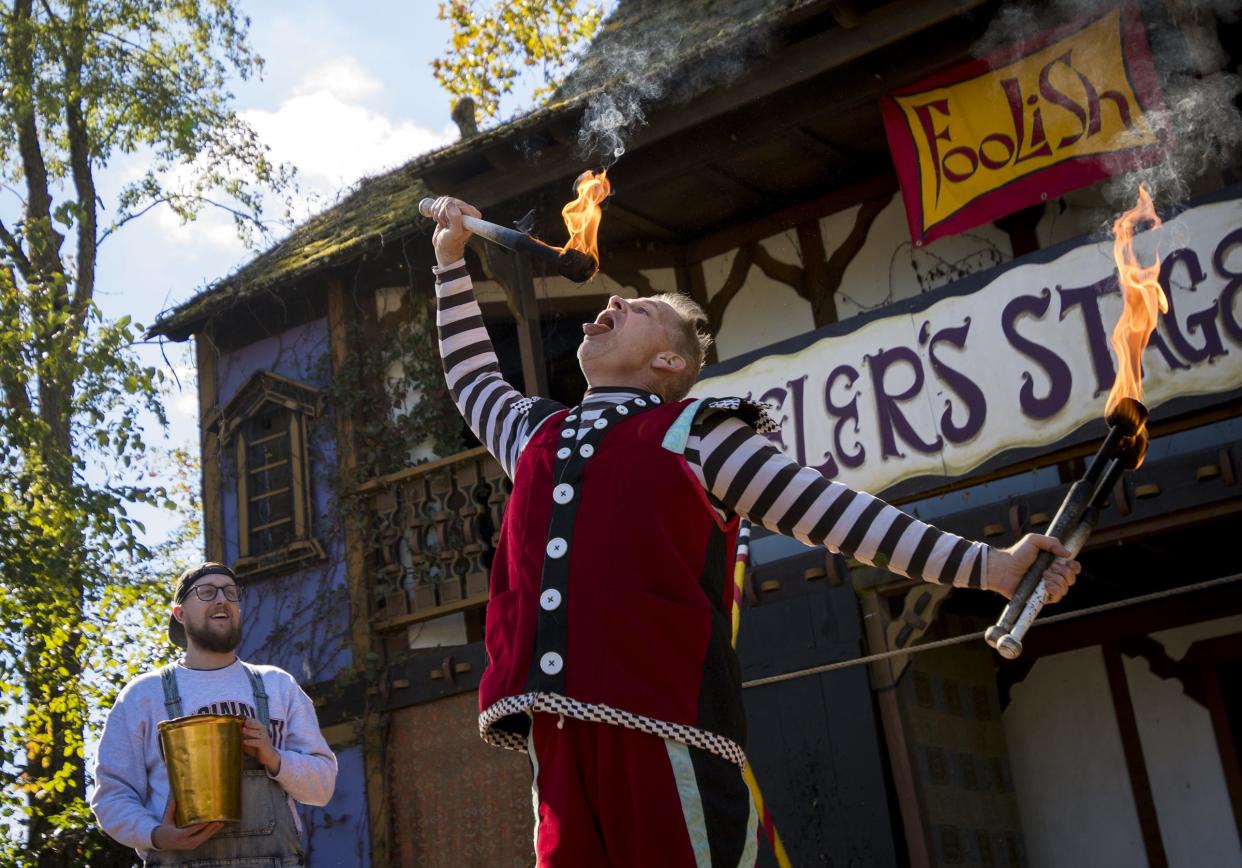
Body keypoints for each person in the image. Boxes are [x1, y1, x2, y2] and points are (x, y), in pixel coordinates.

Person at [427, 197, 1079, 866]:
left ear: (670, 366)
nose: (616, 304)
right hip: (556, 734)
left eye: (642, 311)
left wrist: (990, 567)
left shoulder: (698, 435)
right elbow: (473, 377)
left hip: (670, 729)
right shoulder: (535, 433)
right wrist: (449, 264)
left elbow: (840, 517)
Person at [91, 562, 337, 866]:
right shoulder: (143, 695)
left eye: (231, 593)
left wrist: (274, 758)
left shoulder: (278, 685)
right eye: (206, 592)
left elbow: (323, 787)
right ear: (179, 614)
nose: (222, 599)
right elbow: (111, 796)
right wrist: (156, 834)